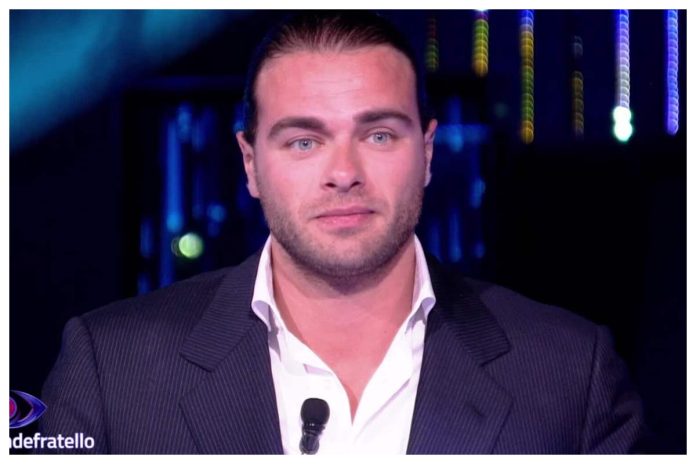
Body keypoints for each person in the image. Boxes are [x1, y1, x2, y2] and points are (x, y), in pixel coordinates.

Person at [39, 11, 646, 454]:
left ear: (427, 152)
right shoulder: (112, 369)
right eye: (304, 141)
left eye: (378, 135)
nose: (344, 173)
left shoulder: (571, 373)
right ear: (250, 164)